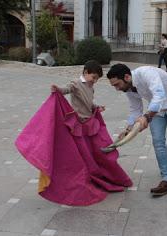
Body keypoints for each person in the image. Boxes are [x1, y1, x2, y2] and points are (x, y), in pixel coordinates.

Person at [16, 60, 132, 206]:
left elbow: (89, 103)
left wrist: (97, 107)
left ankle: (101, 173)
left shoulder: (91, 87)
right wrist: (58, 89)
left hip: (89, 123)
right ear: (85, 72)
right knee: (85, 153)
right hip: (79, 125)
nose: (94, 81)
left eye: (97, 79)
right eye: (93, 77)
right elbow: (66, 89)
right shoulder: (76, 83)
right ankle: (89, 174)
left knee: (99, 150)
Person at [107, 64, 167, 196]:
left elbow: (159, 94)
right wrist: (128, 128)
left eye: (117, 84)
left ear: (126, 77)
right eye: (114, 86)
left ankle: (164, 161)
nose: (117, 88)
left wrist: (147, 117)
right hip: (157, 114)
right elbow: (135, 109)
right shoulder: (129, 88)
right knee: (158, 142)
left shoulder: (147, 73)